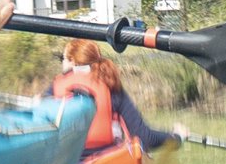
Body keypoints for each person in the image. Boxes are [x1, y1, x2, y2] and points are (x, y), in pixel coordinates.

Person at [51, 39, 187, 155]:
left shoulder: (55, 88)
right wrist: (176, 137)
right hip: (106, 163)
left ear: (71, 61)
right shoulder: (111, 87)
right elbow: (144, 138)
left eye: (62, 59)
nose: (62, 63)